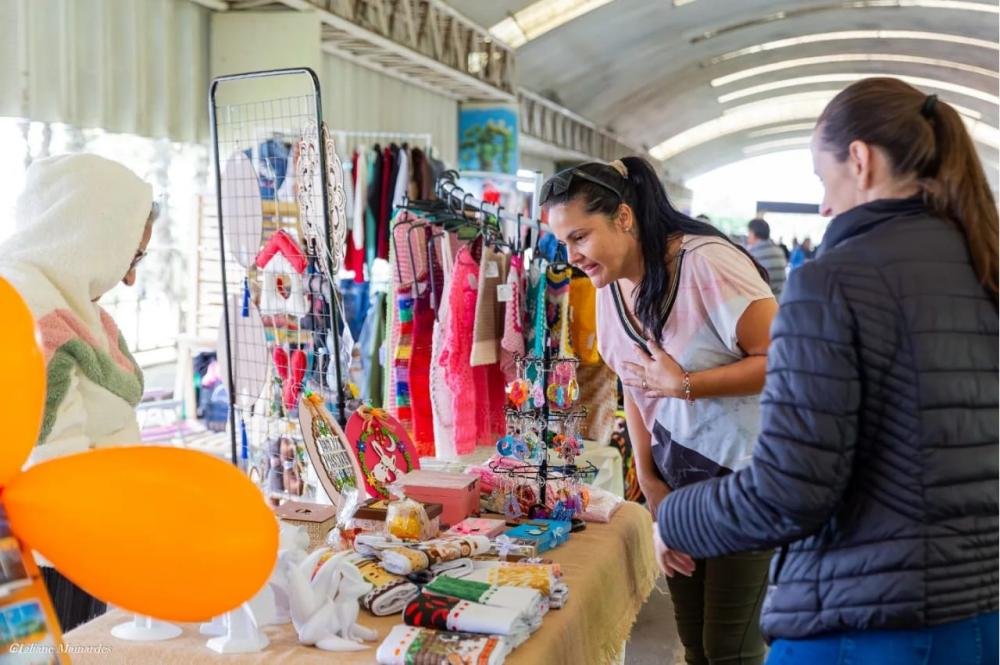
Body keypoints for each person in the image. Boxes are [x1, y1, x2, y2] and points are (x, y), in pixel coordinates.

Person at [655, 78, 998, 664]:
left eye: (822, 178)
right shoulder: (985, 268)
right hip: (979, 619)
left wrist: (673, 517)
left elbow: (791, 489)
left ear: (859, 160)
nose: (822, 207)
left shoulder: (832, 281)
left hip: (863, 621)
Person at [542, 157, 779, 665]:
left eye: (580, 236)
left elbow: (785, 359)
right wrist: (649, 483)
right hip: (677, 482)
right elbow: (634, 384)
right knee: (694, 642)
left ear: (624, 217)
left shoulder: (706, 263)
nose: (572, 255)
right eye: (564, 242)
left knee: (730, 650)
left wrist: (688, 384)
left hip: (745, 479)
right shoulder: (609, 285)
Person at [0, 154, 155, 631]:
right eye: (132, 256)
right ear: (94, 237)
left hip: (75, 548)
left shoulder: (67, 300)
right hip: (51, 559)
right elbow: (53, 463)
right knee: (48, 652)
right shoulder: (33, 309)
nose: (130, 278)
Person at [745, 218, 788, 297]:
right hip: (780, 300)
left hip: (764, 302)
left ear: (753, 233)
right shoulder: (779, 251)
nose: (748, 237)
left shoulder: (753, 254)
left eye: (749, 233)